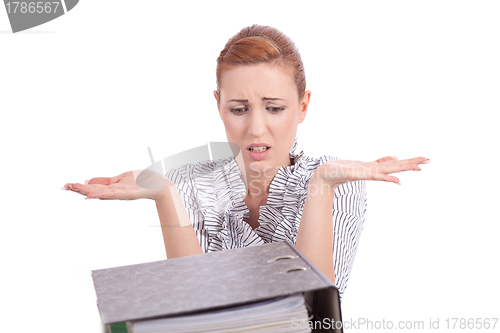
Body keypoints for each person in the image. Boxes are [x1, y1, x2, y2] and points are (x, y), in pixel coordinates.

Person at [63, 24, 428, 300]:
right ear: (218, 105)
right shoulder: (189, 182)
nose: (256, 128)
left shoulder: (339, 179)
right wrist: (166, 195)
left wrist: (321, 185)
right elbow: (196, 308)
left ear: (302, 106)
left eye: (274, 108)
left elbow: (315, 314)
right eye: (238, 109)